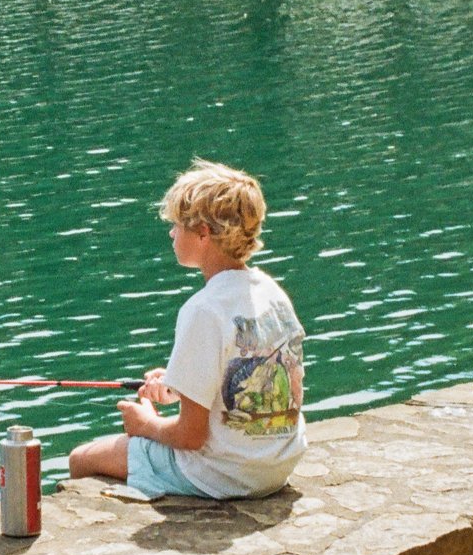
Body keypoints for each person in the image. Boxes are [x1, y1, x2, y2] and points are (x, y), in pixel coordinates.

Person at [67, 160, 306, 501]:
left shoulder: (202, 309)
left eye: (177, 225)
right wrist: (179, 384)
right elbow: (254, 372)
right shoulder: (272, 293)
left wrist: (144, 423)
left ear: (203, 232)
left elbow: (190, 437)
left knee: (82, 459)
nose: (171, 233)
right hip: (277, 466)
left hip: (223, 475)